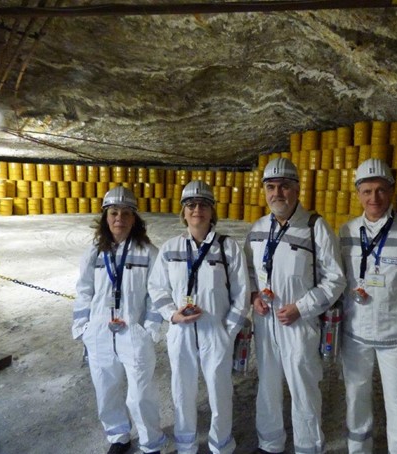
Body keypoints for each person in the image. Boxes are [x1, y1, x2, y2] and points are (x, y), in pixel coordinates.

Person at [244, 157, 346, 454]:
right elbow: (248, 272)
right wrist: (253, 295)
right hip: (266, 323)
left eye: (285, 186)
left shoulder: (316, 227)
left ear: (297, 189)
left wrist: (301, 307)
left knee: (304, 388)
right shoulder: (258, 229)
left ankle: (308, 447)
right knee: (268, 386)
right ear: (264, 191)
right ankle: (270, 443)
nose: (278, 193)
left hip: (299, 323)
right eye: (271, 187)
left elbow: (335, 280)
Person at [338, 158, 397, 454]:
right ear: (358, 194)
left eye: (380, 190)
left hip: (396, 337)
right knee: (356, 400)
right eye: (366, 191)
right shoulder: (346, 232)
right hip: (355, 335)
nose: (374, 198)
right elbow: (338, 280)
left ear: (392, 191)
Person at [148, 180, 250, 454]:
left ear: (212, 211)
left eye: (203, 204)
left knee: (220, 392)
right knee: (182, 390)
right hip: (180, 332)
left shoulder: (228, 248)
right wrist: (171, 315)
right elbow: (156, 287)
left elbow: (242, 291)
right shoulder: (170, 248)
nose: (197, 210)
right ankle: (185, 445)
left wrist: (228, 330)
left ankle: (221, 445)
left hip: (215, 331)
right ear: (183, 212)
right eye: (191, 205)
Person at [72, 186, 166, 454]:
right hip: (100, 331)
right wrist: (83, 328)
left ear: (134, 219)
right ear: (105, 217)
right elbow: (84, 290)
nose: (119, 218)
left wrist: (148, 328)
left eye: (126, 213)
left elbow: (156, 294)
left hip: (133, 332)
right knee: (106, 389)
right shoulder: (94, 252)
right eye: (113, 212)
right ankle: (118, 436)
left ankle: (151, 443)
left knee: (140, 394)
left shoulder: (148, 252)